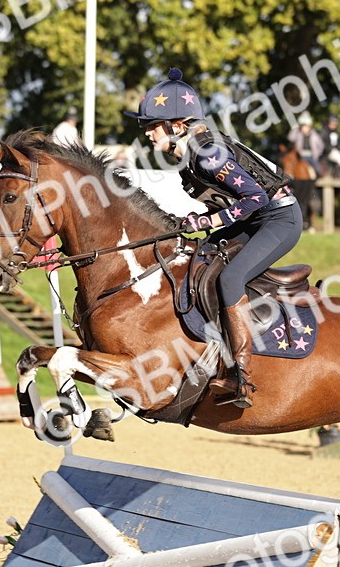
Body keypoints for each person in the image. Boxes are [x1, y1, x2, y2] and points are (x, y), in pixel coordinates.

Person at [128, 68, 301, 409]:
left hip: (279, 218)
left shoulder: (207, 153)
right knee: (197, 257)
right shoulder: (194, 154)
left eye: (152, 126)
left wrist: (207, 220)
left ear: (177, 126)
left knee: (232, 277)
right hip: (257, 218)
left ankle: (241, 372)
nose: (147, 134)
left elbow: (256, 199)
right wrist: (198, 223)